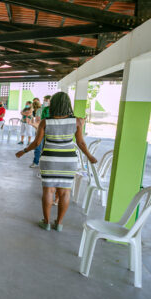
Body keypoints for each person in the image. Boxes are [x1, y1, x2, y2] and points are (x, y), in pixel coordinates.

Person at [16, 92, 97, 231]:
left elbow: (36, 143)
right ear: (68, 104)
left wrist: (23, 151)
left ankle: (46, 222)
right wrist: (90, 156)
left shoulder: (45, 122)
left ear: (53, 104)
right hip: (68, 160)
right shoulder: (77, 121)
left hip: (50, 159)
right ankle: (59, 223)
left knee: (48, 190)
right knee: (65, 192)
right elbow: (81, 143)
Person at [30, 95, 51, 168]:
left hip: (50, 131)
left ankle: (47, 164)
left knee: (48, 148)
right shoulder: (40, 110)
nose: (45, 102)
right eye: (44, 100)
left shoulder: (53, 110)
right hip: (40, 131)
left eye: (46, 100)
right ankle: (36, 162)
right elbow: (38, 121)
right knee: (38, 146)